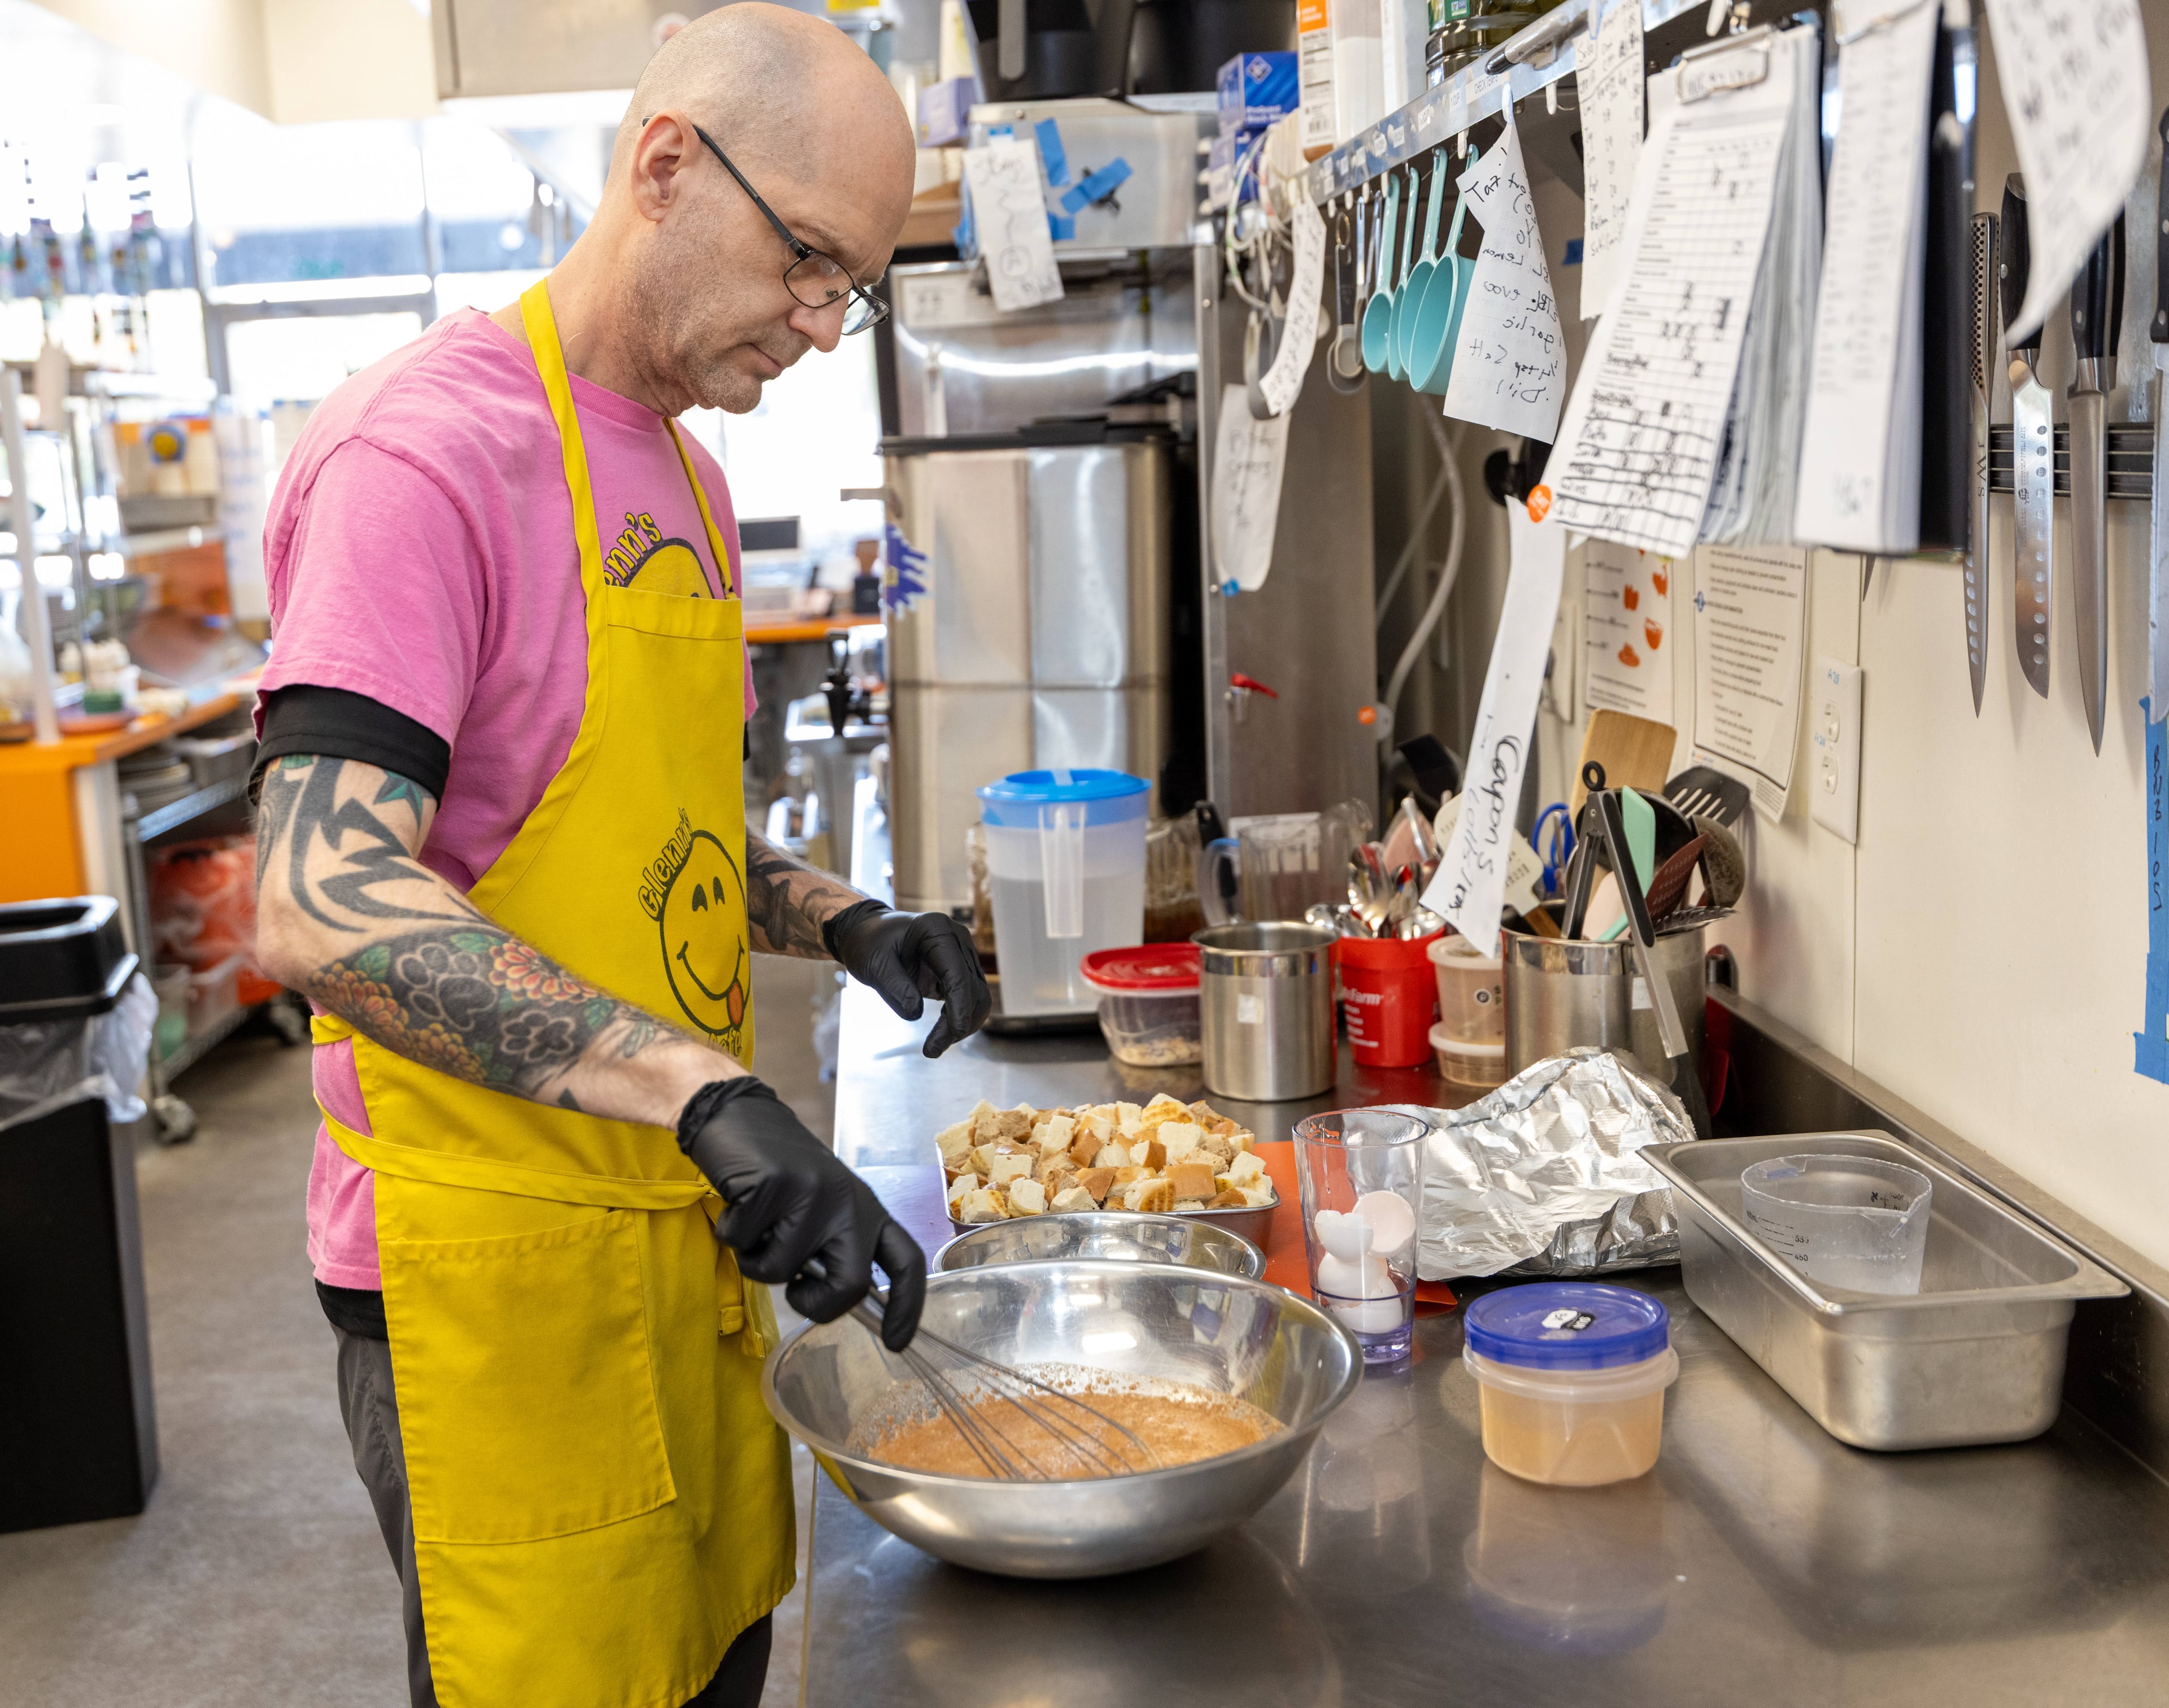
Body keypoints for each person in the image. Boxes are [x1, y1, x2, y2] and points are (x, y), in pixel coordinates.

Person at [248, 10, 988, 1705]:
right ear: (666, 166)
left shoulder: (683, 477)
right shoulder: (418, 463)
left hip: (681, 1232)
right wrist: (707, 1092)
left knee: (717, 1671)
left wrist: (838, 914)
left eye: (849, 286)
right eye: (807, 260)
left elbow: (645, 815)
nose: (818, 324)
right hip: (490, 1270)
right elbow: (318, 895)